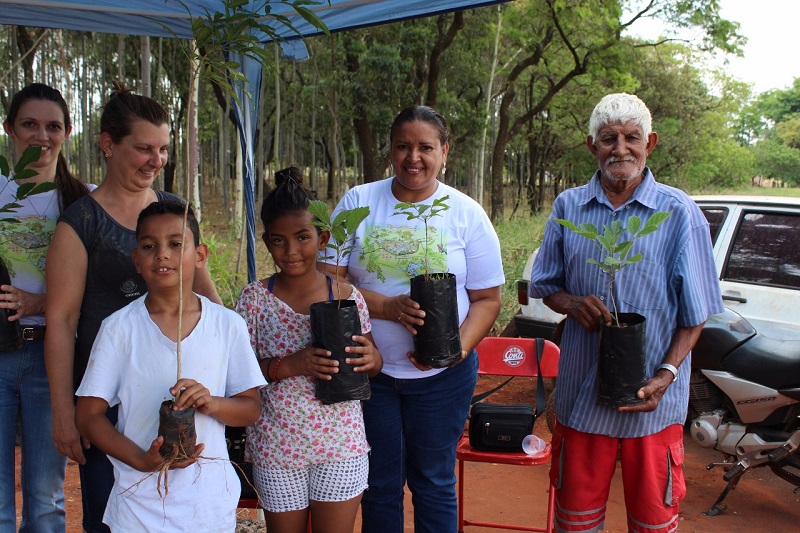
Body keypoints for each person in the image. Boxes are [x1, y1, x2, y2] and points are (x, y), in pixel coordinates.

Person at [530, 93, 724, 533]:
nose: (620, 149)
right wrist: (573, 303)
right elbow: (545, 285)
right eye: (608, 139)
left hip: (654, 403)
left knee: (653, 524)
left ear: (649, 143)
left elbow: (695, 315)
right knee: (576, 522)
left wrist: (667, 374)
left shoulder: (679, 213)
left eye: (631, 137)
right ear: (591, 146)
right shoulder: (569, 207)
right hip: (582, 399)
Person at [44, 82, 222, 533]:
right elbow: (62, 322)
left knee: (183, 506)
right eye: (144, 148)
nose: (156, 161)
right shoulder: (80, 222)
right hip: (107, 404)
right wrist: (65, 412)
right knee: (114, 510)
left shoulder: (174, 211)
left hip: (178, 394)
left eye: (163, 149)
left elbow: (209, 300)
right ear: (108, 144)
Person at [319, 106, 504, 532]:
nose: (413, 158)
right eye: (403, 146)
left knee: (434, 481)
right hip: (369, 375)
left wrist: (454, 351)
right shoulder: (358, 202)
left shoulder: (465, 213)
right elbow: (327, 281)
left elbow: (487, 299)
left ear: (444, 152)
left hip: (444, 381)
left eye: (425, 147)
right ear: (389, 149)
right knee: (380, 483)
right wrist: (384, 307)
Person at [74, 200, 264, 530]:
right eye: (149, 246)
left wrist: (211, 402)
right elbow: (88, 415)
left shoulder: (227, 325)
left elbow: (251, 408)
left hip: (208, 504)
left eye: (176, 244)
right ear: (136, 260)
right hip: (139, 507)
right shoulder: (119, 329)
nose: (162, 254)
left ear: (200, 255)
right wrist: (141, 460)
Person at [235, 167, 382, 533]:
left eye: (302, 237)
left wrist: (372, 359)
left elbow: (372, 363)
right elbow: (236, 373)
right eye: (278, 240)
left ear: (323, 237)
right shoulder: (255, 299)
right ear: (267, 241)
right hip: (276, 447)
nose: (291, 250)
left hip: (341, 446)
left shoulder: (347, 297)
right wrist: (289, 365)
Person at [0, 83, 93, 532]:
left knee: (45, 496)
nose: (42, 136)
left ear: (67, 133)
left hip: (51, 359)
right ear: (9, 130)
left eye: (53, 126)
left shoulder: (83, 201)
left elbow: (104, 286)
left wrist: (40, 301)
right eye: (29, 124)